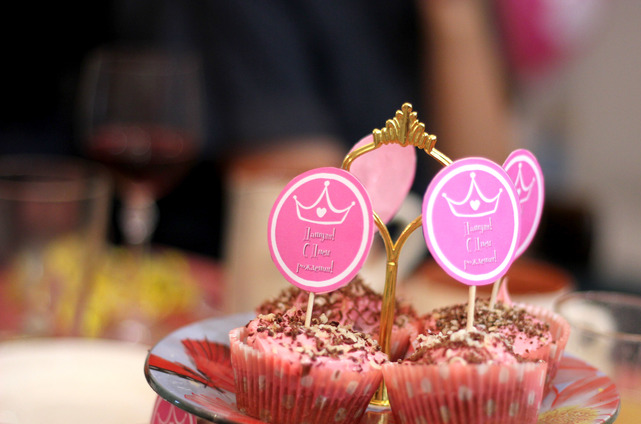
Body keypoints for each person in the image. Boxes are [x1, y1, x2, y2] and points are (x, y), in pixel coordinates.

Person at [109, 0, 515, 264]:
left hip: (414, 284)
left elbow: (490, 223)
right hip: (266, 301)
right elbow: (323, 226)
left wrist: (455, 19)